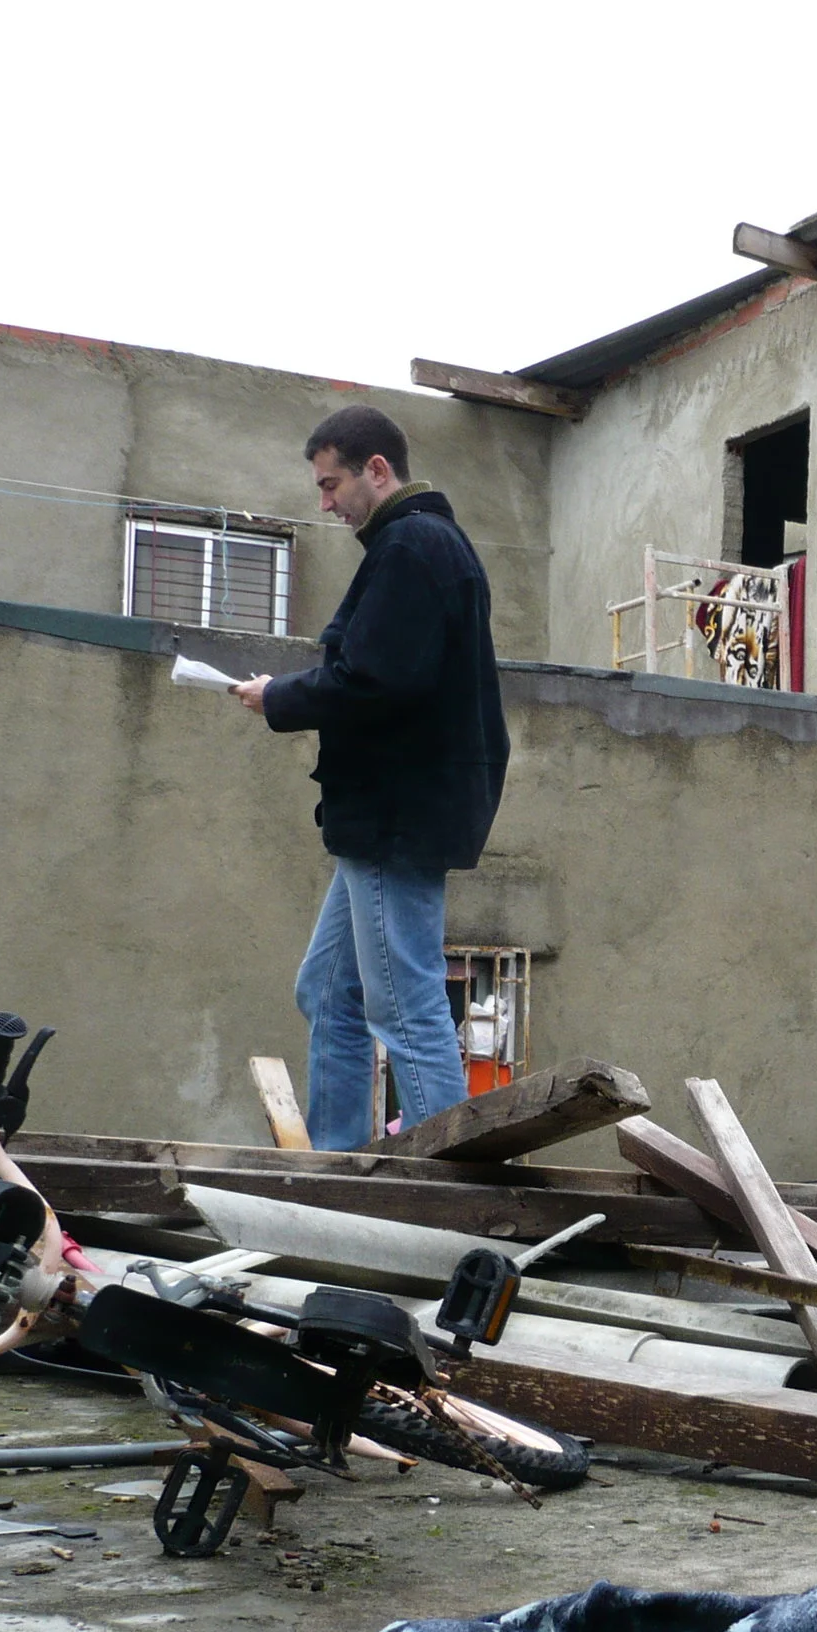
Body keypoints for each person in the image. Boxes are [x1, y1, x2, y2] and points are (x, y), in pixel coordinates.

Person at [231, 406, 508, 1149]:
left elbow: (373, 682)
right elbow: (386, 674)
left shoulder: (412, 546)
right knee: (328, 991)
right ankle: (337, 1163)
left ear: (376, 470)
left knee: (405, 1004)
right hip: (390, 811)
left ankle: (443, 1177)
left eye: (331, 484)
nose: (326, 504)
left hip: (396, 811)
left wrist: (279, 697)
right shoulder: (421, 544)